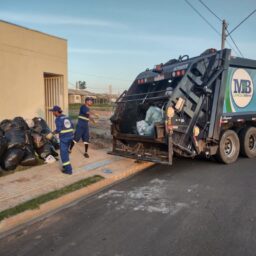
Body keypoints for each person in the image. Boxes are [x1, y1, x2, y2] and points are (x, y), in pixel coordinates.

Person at [49, 105, 74, 175]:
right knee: (66, 152)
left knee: (63, 155)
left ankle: (68, 170)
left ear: (56, 112)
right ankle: (66, 166)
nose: (53, 113)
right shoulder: (67, 117)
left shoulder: (58, 119)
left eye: (53, 112)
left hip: (64, 139)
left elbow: (59, 130)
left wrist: (52, 133)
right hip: (71, 137)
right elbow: (72, 126)